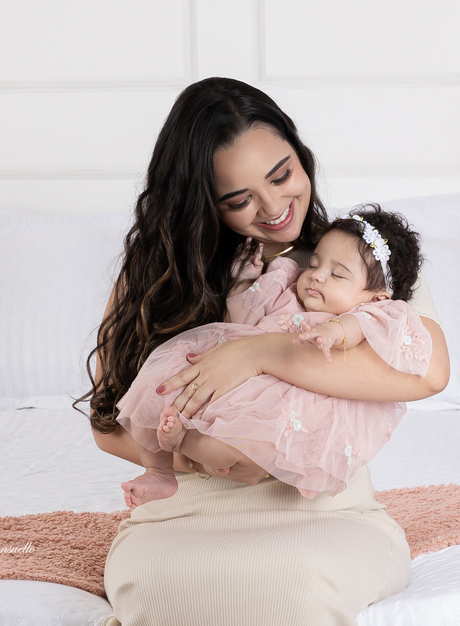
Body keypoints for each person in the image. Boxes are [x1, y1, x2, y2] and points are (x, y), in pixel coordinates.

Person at [84, 78, 450, 626]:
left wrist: (253, 352)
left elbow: (422, 372)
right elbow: (108, 421)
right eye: (239, 199)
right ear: (199, 202)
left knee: (282, 596)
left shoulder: (357, 263)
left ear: (301, 152)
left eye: (283, 176)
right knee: (164, 606)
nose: (274, 207)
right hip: (186, 507)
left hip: (325, 514)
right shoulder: (156, 277)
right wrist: (189, 451)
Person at [114, 206, 431, 506]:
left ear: (375, 296)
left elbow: (353, 328)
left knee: (228, 445)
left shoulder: (372, 312)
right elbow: (241, 317)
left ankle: (184, 443)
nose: (317, 275)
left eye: (337, 275)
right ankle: (159, 471)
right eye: (317, 263)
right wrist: (243, 282)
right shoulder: (288, 285)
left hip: (293, 396)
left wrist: (330, 333)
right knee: (163, 380)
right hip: (239, 373)